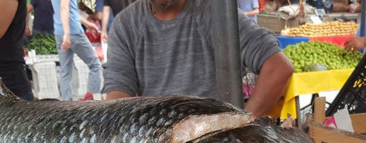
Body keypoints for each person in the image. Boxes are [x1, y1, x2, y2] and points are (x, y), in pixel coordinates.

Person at [103, 0, 293, 118]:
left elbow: (278, 67)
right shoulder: (126, 24)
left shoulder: (213, 12)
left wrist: (242, 123)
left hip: (216, 142)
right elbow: (117, 95)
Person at [52, 0, 103, 100]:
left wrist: (86, 23)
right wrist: (67, 34)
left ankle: (66, 106)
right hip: (73, 31)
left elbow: (69, 10)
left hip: (59, 32)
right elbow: (64, 8)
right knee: (95, 65)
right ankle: (91, 99)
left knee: (65, 71)